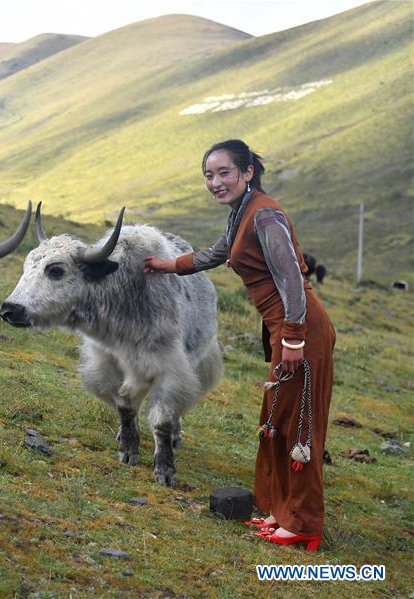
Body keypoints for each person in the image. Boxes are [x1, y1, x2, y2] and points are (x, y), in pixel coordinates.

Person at [143, 139, 335, 552]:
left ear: (247, 172)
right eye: (208, 175)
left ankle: (303, 523)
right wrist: (166, 264)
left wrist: (295, 338)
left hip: (300, 330)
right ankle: (279, 510)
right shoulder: (241, 213)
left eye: (224, 172)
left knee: (300, 426)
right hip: (285, 328)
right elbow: (215, 254)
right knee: (276, 423)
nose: (215, 182)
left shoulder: (264, 216)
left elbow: (290, 283)